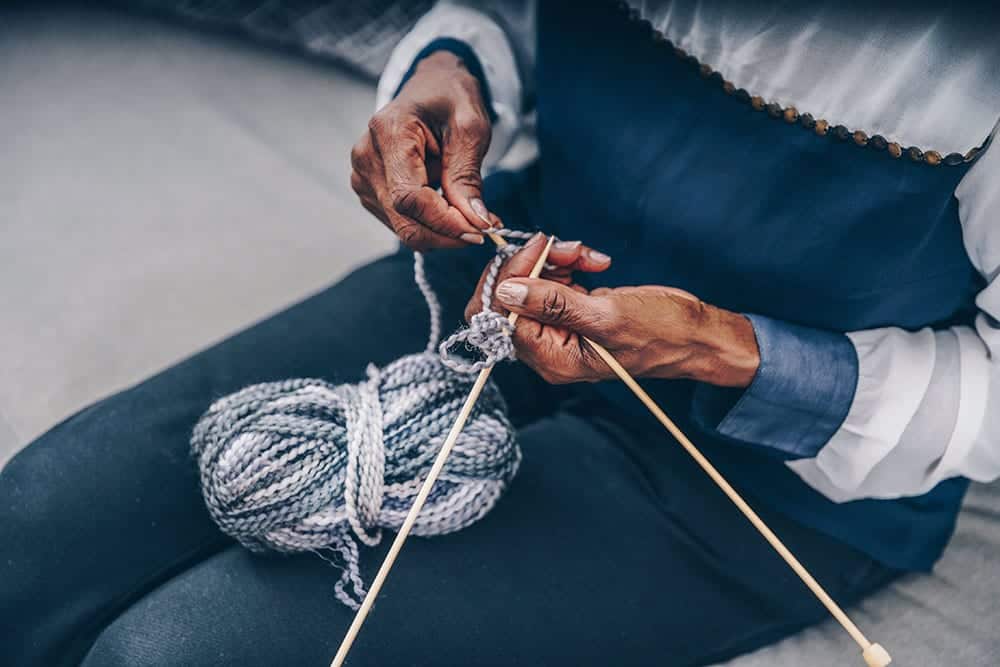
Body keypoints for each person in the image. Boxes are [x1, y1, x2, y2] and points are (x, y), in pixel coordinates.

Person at [2, 1, 999, 665]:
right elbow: (508, 16)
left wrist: (708, 341)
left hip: (774, 465)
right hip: (500, 279)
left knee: (183, 650)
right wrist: (451, 70)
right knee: (34, 523)